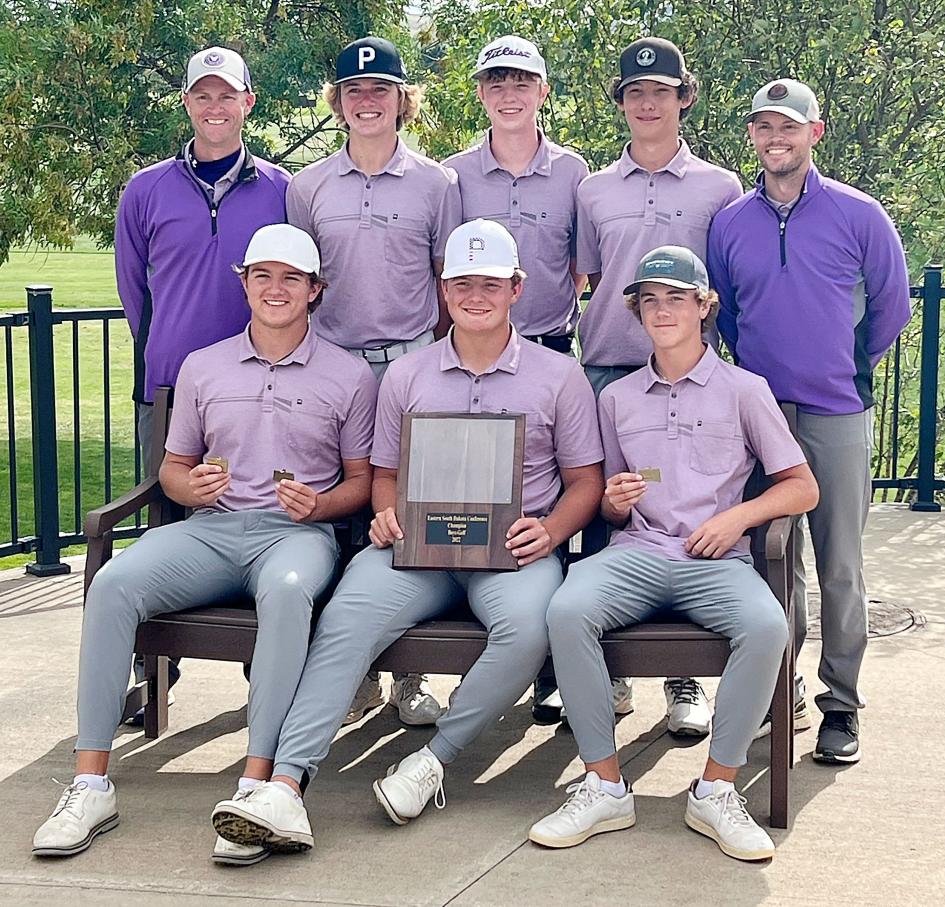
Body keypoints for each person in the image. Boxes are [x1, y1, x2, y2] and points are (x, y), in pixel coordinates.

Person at [208, 219, 605, 854]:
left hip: (512, 553)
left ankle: (433, 760)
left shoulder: (559, 376)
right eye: (461, 284)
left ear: (517, 289)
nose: (475, 296)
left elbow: (585, 481)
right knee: (346, 618)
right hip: (415, 550)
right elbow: (385, 473)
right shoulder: (408, 375)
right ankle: (284, 787)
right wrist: (387, 513)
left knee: (532, 626)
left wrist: (552, 529)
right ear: (443, 290)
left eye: (490, 285)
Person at [32, 225, 378, 865]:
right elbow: (172, 468)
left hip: (297, 537)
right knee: (111, 585)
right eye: (263, 276)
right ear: (243, 282)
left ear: (315, 291)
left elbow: (361, 482)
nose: (276, 290)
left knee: (290, 591)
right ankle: (90, 783)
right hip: (211, 531)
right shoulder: (203, 365)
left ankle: (256, 789)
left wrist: (321, 504)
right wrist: (189, 484)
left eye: (291, 279)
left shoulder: (350, 376)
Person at [529, 245, 819, 861]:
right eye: (650, 300)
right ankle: (604, 784)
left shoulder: (745, 390)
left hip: (717, 560)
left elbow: (802, 486)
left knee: (768, 626)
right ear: (636, 312)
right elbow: (608, 507)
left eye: (676, 298)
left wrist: (738, 516)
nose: (662, 310)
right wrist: (613, 498)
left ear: (703, 307)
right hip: (639, 552)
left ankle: (715, 791)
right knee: (566, 609)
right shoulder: (618, 398)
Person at [708, 79, 911, 763]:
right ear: (753, 136)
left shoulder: (859, 214)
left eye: (788, 128)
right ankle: (782, 691)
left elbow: (890, 307)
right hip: (763, 418)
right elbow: (727, 313)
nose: (776, 140)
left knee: (841, 566)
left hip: (837, 414)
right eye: (763, 127)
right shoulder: (732, 222)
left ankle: (842, 706)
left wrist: (849, 366)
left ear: (814, 133)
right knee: (775, 564)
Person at [287, 36, 463, 726]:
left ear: (402, 102)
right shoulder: (308, 187)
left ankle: (408, 676)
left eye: (381, 91)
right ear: (338, 104)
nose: (368, 102)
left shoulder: (436, 183)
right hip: (331, 364)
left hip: (410, 362)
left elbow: (448, 285)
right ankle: (349, 672)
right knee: (338, 518)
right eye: (354, 92)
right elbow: (300, 283)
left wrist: (438, 363)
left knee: (403, 519)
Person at [574, 36, 744, 736]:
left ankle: (682, 681)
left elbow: (726, 287)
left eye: (662, 90)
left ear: (684, 97)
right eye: (635, 92)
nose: (648, 102)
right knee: (606, 519)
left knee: (680, 523)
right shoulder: (592, 189)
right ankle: (606, 672)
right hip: (607, 369)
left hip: (685, 375)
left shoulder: (720, 186)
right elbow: (589, 278)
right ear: (622, 103)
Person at [114, 46, 290, 713]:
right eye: (202, 96)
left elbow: (291, 287)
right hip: (170, 388)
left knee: (259, 517)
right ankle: (153, 667)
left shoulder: (280, 189)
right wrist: (172, 357)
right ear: (186, 103)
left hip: (265, 384)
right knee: (165, 519)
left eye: (228, 96)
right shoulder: (146, 189)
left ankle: (262, 670)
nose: (215, 108)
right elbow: (136, 292)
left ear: (249, 103)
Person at [443, 34, 591, 723]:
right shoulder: (454, 175)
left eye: (521, 81)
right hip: (469, 358)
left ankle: (548, 670)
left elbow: (580, 267)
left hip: (547, 354)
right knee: (468, 508)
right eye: (495, 81)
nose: (508, 92)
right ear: (480, 93)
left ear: (543, 91)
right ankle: (464, 657)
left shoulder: (573, 171)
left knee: (549, 509)